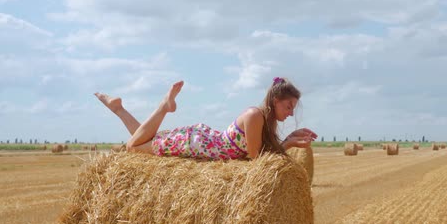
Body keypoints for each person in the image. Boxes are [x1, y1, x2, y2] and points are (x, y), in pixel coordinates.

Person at [94, 77, 317, 160]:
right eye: (288, 106)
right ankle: (164, 106)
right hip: (196, 145)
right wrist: (287, 144)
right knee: (133, 148)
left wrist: (288, 138)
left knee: (144, 138)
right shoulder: (255, 115)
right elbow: (256, 159)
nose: (290, 112)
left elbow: (264, 154)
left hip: (201, 141)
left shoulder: (264, 120)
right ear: (275, 99)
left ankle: (118, 110)